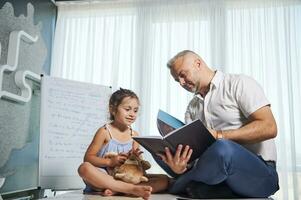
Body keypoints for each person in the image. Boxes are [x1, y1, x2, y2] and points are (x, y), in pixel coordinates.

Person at [154, 50, 279, 198]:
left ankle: (177, 184)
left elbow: (269, 127)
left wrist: (220, 136)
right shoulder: (192, 107)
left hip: (260, 172)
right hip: (216, 174)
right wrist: (181, 166)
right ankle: (191, 183)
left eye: (182, 74)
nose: (181, 83)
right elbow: (196, 156)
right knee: (160, 151)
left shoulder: (238, 83)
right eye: (177, 80)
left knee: (222, 147)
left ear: (198, 64)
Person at [78, 88, 169, 200]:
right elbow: (88, 158)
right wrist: (110, 162)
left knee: (164, 180)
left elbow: (136, 166)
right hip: (105, 176)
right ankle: (130, 190)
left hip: (126, 178)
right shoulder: (105, 132)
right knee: (84, 168)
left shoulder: (134, 135)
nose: (132, 114)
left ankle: (117, 190)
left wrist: (137, 158)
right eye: (127, 109)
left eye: (135, 111)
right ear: (112, 109)